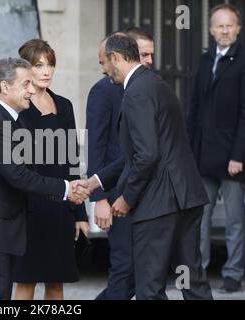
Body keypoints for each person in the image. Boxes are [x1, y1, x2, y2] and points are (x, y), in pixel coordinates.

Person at [0, 57, 89, 300]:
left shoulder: (8, 120)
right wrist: (66, 188)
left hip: (0, 229)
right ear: (5, 87)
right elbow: (19, 176)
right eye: (26, 84)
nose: (31, 91)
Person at [86, 34, 213, 300]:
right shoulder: (156, 84)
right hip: (185, 199)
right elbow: (142, 152)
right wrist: (96, 181)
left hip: (158, 205)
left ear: (116, 58)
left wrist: (126, 198)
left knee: (149, 289)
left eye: (104, 63)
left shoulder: (135, 92)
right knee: (192, 282)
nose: (103, 70)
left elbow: (147, 155)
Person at [187, 4, 245, 292]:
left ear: (239, 29)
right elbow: (195, 111)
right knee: (199, 218)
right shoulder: (205, 61)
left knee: (234, 220)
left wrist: (238, 155)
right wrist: (190, 152)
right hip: (203, 156)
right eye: (220, 25)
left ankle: (233, 274)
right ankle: (199, 272)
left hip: (232, 159)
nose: (225, 30)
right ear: (211, 29)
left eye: (230, 25)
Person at [12, 39, 89, 300]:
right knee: (26, 281)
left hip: (61, 206)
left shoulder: (64, 105)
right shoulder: (18, 107)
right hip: (29, 208)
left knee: (56, 282)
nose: (46, 71)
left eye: (50, 64)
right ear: (25, 69)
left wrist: (79, 213)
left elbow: (72, 161)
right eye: (38, 65)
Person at [86, 27, 154, 300]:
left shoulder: (149, 85)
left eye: (151, 54)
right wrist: (99, 198)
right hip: (116, 194)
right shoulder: (102, 91)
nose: (148, 60)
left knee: (142, 271)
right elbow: (96, 147)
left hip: (146, 193)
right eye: (144, 54)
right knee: (124, 267)